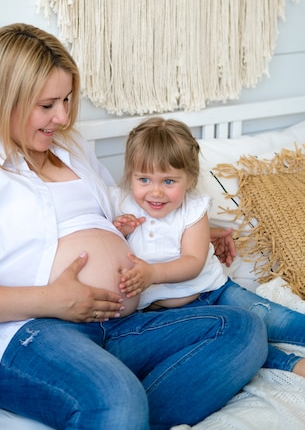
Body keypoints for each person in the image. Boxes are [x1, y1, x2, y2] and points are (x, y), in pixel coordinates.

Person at [0, 23, 267, 430]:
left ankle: (124, 417)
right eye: (48, 104)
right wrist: (51, 300)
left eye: (68, 99)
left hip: (119, 324)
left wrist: (183, 229)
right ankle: (118, 408)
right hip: (30, 334)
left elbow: (114, 219)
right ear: (4, 98)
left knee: (242, 329)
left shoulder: (69, 149)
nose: (64, 116)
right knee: (116, 398)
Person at [113, 117, 305, 378]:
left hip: (214, 291)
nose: (155, 192)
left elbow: (193, 261)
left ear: (190, 179)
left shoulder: (193, 210)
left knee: (276, 319)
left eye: (168, 181)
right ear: (130, 175)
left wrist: (152, 274)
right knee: (234, 343)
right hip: (173, 314)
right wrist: (118, 230)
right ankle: (291, 364)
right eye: (144, 179)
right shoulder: (122, 204)